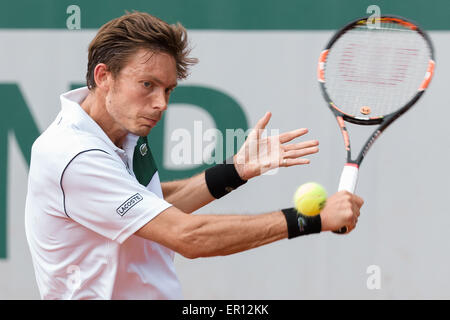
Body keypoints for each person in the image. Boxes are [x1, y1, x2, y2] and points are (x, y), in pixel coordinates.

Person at [24, 11, 364, 300]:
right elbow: (189, 236)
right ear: (104, 77)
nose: (161, 103)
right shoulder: (74, 155)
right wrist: (312, 220)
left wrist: (235, 171)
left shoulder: (121, 130)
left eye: (168, 89)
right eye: (147, 85)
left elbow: (149, 203)